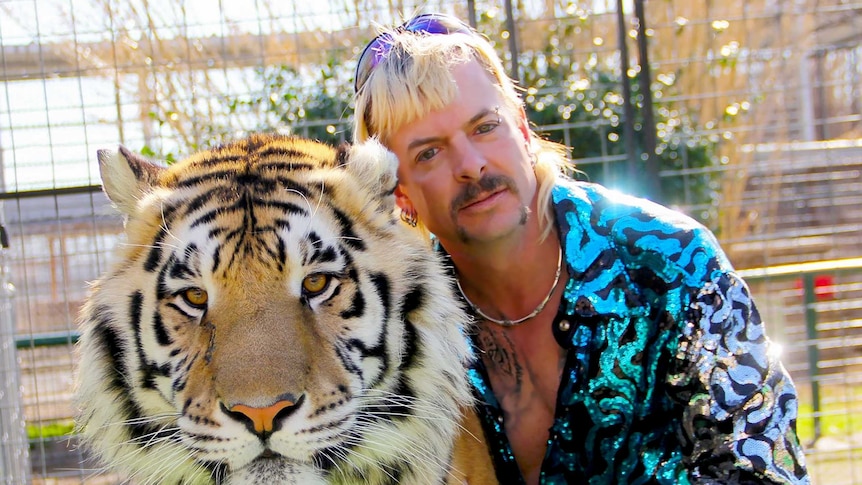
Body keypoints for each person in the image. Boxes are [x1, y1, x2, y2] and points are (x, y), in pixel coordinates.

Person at [352, 12, 809, 485]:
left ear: (523, 130)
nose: (471, 164)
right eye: (430, 152)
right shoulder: (400, 333)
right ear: (399, 193)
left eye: (485, 127)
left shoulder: (671, 261)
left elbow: (762, 467)